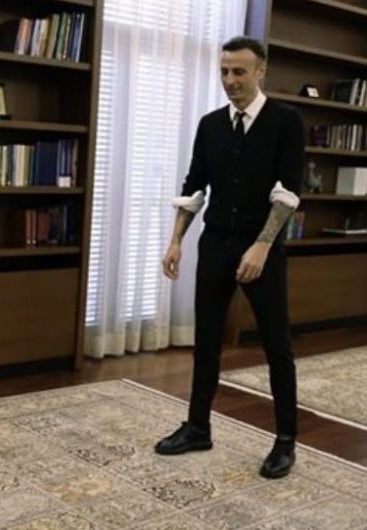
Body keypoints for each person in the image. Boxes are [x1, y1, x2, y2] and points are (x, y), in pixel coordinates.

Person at [155, 36, 304, 479]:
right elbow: (193, 187)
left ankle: (285, 442)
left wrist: (262, 245)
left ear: (261, 71)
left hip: (262, 248)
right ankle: (197, 428)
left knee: (277, 345)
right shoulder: (210, 125)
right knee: (206, 340)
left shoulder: (286, 122)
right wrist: (176, 240)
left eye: (239, 71)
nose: (230, 80)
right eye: (224, 71)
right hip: (215, 243)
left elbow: (288, 193)